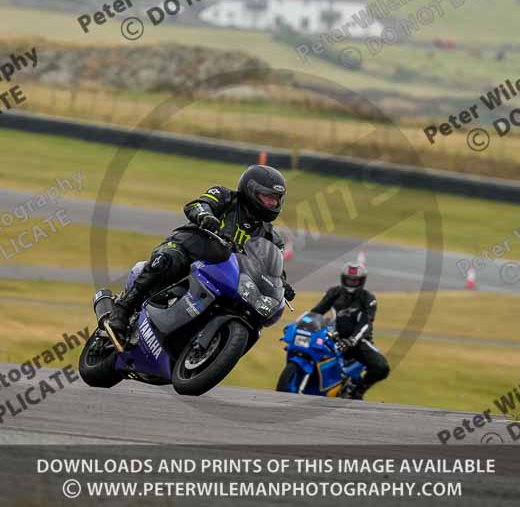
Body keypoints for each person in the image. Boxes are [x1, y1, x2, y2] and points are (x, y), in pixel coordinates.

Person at [107, 164, 296, 344]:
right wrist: (206, 216)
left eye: (276, 198)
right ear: (250, 190)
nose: (273, 203)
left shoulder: (272, 237)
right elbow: (197, 205)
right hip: (192, 247)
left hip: (225, 275)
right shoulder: (225, 197)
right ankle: (123, 308)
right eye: (268, 197)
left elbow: (275, 266)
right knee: (167, 260)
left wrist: (282, 284)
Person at [311, 261, 389, 400]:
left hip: (358, 342)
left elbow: (366, 322)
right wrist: (304, 324)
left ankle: (356, 391)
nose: (351, 283)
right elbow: (316, 312)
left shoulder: (368, 298)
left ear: (362, 281)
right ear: (343, 278)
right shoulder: (334, 292)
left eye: (355, 280)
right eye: (349, 279)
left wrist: (352, 340)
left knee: (382, 367)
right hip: (332, 337)